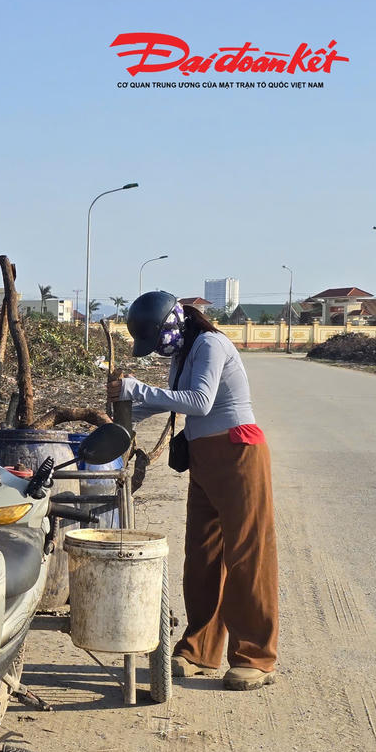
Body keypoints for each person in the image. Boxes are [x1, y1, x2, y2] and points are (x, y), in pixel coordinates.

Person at [109, 291, 278, 691]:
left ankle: (256, 655)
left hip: (239, 452)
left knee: (246, 555)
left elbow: (199, 402)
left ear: (173, 323)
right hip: (204, 458)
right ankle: (200, 648)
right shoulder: (182, 355)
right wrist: (121, 406)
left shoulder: (211, 344)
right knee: (202, 554)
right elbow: (168, 404)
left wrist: (139, 390)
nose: (157, 350)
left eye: (155, 340)